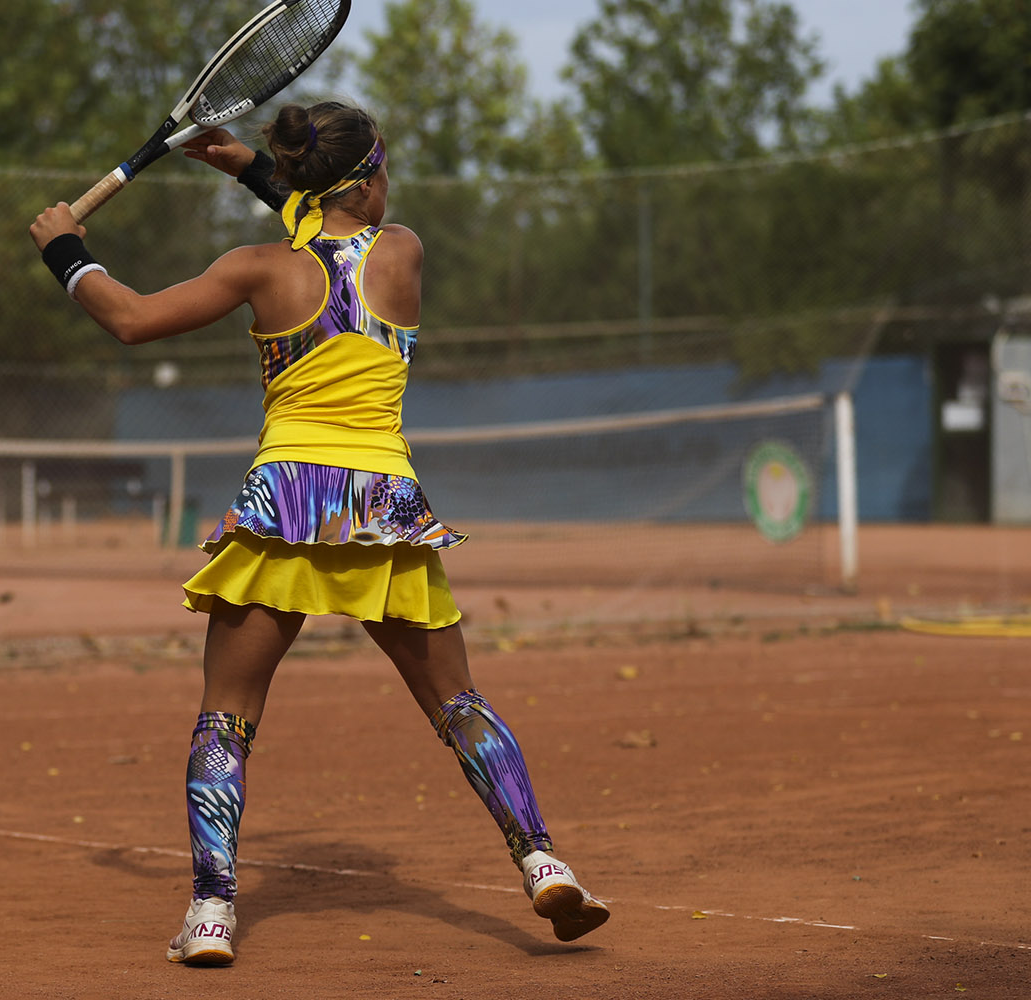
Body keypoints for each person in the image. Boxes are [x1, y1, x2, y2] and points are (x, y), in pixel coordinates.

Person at [29, 101, 608, 967]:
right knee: (459, 703)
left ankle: (214, 913)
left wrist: (65, 249)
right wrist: (249, 169)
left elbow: (131, 319)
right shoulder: (404, 251)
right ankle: (541, 859)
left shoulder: (256, 270)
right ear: (370, 180)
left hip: (287, 502)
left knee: (225, 717)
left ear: (300, 182)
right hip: (384, 506)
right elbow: (331, 221)